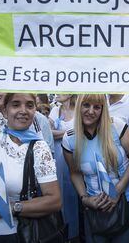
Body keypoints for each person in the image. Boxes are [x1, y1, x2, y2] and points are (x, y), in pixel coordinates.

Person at [0, 14, 61, 242]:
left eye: (30, 105)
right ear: (5, 108)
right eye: (16, 104)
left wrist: (9, 207)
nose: (23, 110)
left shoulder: (39, 148)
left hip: (11, 236)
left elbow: (54, 200)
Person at [62, 94, 129, 243]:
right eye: (86, 105)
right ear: (79, 106)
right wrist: (85, 199)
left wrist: (118, 191)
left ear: (103, 109)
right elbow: (75, 172)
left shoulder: (117, 126)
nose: (91, 111)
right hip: (95, 207)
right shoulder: (69, 138)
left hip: (127, 202)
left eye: (97, 107)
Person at [49, 94, 80, 240]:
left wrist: (59, 133)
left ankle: (73, 233)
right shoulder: (55, 110)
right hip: (56, 158)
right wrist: (69, 133)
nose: (57, 93)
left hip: (73, 158)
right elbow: (48, 132)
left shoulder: (79, 110)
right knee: (58, 192)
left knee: (73, 193)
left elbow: (80, 135)